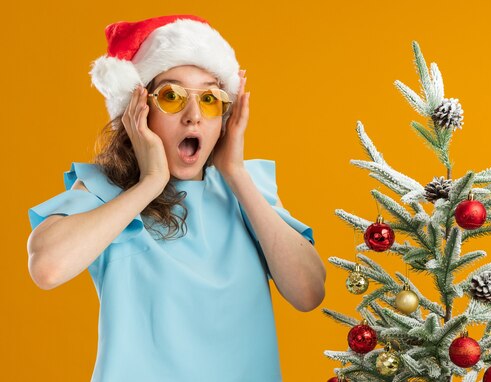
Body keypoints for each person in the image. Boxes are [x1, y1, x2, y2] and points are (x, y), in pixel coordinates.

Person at [26, 14, 325, 382]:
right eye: (171, 96)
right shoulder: (107, 191)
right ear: (138, 109)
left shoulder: (248, 191)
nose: (194, 117)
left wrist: (236, 173)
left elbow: (309, 292)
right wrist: (151, 182)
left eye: (211, 99)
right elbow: (47, 267)